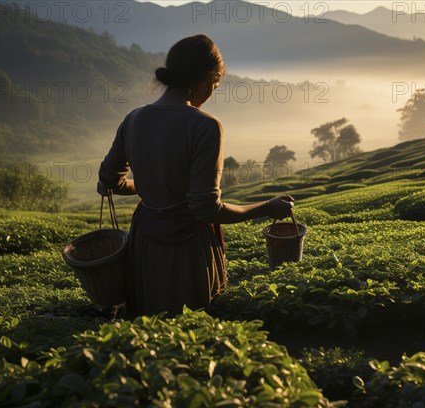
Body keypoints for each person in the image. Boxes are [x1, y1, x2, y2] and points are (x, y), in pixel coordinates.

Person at [97, 35, 294, 318]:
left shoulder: (134, 118)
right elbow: (206, 208)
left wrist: (155, 185)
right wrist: (267, 208)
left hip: (145, 246)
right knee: (190, 326)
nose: (212, 93)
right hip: (186, 247)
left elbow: (109, 181)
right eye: (214, 86)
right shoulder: (205, 126)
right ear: (205, 80)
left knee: (148, 327)